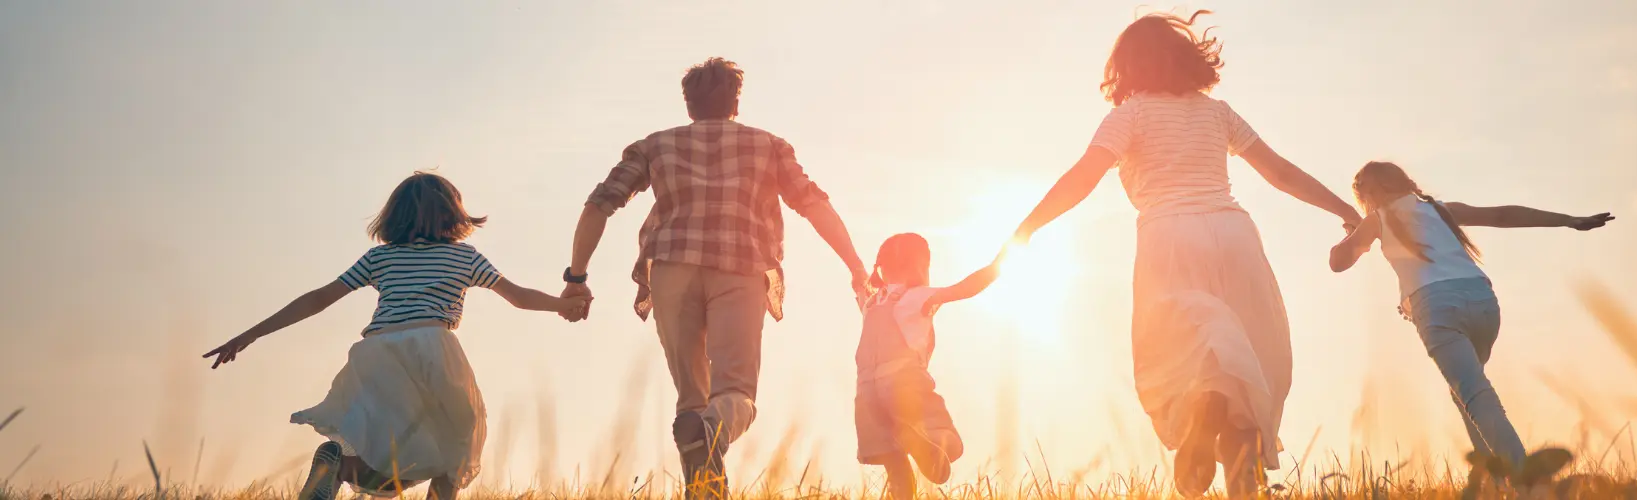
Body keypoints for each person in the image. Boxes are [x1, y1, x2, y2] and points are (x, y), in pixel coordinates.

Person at [1007, 11, 1362, 498]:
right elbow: (1279, 172)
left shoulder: (1129, 115)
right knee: (1248, 366)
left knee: (1184, 355)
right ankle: (1234, 453)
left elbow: (1083, 177)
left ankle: (1205, 410)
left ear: (1126, 67)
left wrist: (1026, 229)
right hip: (1235, 234)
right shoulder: (1217, 113)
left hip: (1168, 237)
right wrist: (1347, 211)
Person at [559, 57, 867, 500]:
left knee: (693, 403)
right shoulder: (768, 145)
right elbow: (813, 204)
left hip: (671, 270)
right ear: (735, 102)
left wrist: (577, 276)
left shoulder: (654, 145)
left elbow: (599, 204)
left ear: (688, 105)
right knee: (736, 394)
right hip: (739, 267)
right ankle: (707, 442)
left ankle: (703, 488)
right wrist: (855, 266)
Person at [201, 172, 588, 500]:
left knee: (384, 443)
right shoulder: (464, 256)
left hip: (377, 351)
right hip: (432, 347)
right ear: (452, 213)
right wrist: (564, 305)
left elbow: (320, 298)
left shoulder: (381, 257)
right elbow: (518, 297)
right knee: (457, 439)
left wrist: (251, 334)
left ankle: (338, 463)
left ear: (394, 216)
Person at [1329, 161, 1611, 487]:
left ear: (1370, 192)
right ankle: (1495, 483)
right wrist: (1569, 221)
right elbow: (1502, 216)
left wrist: (1353, 235)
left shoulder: (1375, 220)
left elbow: (1338, 263)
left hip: (1437, 308)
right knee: (1465, 394)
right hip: (1483, 302)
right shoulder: (1440, 209)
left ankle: (1531, 486)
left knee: (1477, 397)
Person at [852, 234, 1005, 499]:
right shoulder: (917, 296)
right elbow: (966, 288)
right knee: (951, 444)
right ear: (922, 268)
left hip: (866, 393)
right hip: (903, 382)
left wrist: (857, 272)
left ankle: (908, 463)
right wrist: (999, 262)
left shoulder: (871, 302)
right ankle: (925, 444)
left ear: (883, 270)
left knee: (894, 464)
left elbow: (859, 285)